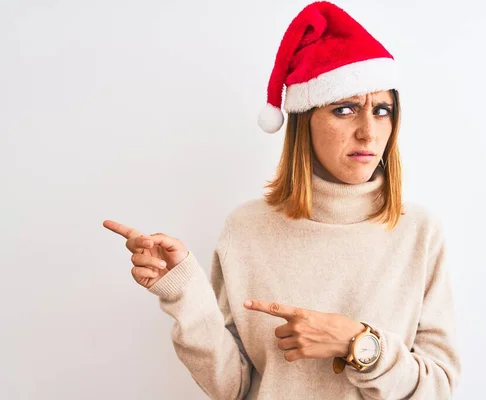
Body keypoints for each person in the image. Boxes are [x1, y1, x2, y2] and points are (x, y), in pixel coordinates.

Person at [103, 1, 460, 399]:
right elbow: (232, 386)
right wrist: (183, 291)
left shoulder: (419, 232)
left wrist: (358, 344)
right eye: (344, 109)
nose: (368, 132)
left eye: (382, 110)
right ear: (305, 119)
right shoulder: (247, 229)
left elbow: (439, 387)